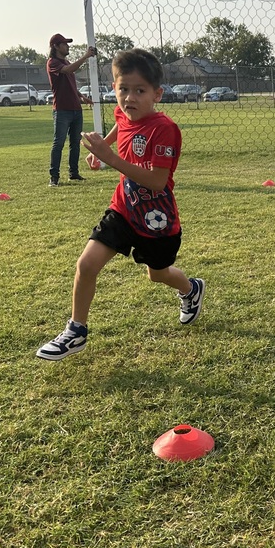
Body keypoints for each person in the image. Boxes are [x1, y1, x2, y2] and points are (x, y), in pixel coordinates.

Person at [36, 48, 204, 360]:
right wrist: (102, 147)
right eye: (123, 89)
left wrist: (109, 158)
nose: (130, 98)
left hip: (157, 220)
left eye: (139, 91)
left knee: (159, 274)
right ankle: (76, 331)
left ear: (157, 94)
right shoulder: (122, 113)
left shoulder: (164, 129)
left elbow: (156, 181)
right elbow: (119, 127)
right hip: (123, 210)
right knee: (86, 264)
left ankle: (191, 290)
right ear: (114, 89)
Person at [47, 33, 97, 186]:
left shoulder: (66, 61)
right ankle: (54, 177)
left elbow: (70, 85)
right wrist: (86, 56)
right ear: (56, 46)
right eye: (65, 44)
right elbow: (68, 70)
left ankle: (73, 173)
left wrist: (82, 97)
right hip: (62, 110)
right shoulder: (53, 63)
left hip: (76, 109)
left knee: (75, 142)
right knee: (59, 143)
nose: (68, 46)